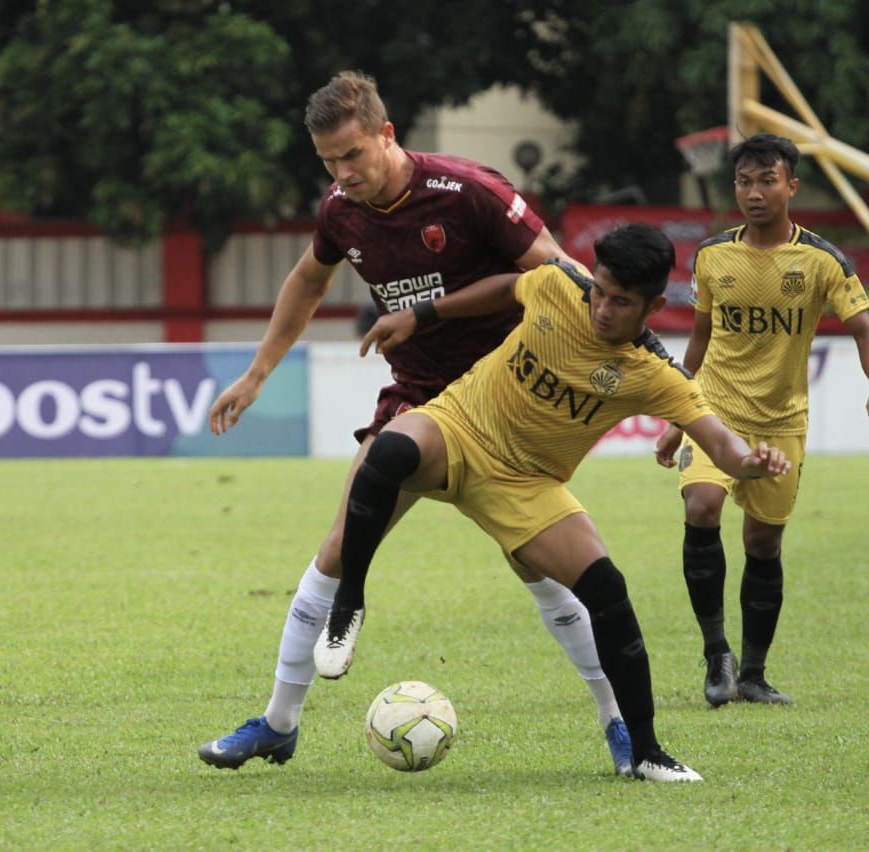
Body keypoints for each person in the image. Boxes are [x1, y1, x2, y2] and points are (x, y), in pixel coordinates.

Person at [198, 71, 634, 774]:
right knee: (340, 546)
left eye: (353, 156)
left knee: (540, 566)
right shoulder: (341, 210)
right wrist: (256, 375)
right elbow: (309, 279)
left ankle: (620, 725)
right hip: (420, 398)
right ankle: (278, 723)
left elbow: (558, 278)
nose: (344, 174)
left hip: (506, 406)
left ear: (386, 135)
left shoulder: (470, 193)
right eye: (329, 163)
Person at [321, 222, 792, 781]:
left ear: (654, 305)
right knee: (390, 450)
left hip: (528, 485)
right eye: (599, 290)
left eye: (621, 302)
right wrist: (420, 314)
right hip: (461, 428)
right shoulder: (557, 284)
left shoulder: (655, 374)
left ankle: (645, 753)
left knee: (608, 590)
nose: (602, 308)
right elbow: (504, 288)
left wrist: (748, 463)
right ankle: (348, 602)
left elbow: (719, 441)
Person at [652, 133, 869, 707]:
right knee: (701, 506)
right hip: (713, 408)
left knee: (763, 543)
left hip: (782, 420)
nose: (754, 193)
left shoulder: (822, 260)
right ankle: (718, 656)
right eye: (744, 181)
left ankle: (755, 674)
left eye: (767, 180)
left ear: (792, 186)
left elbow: (864, 329)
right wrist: (676, 415)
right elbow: (701, 337)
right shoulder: (713, 255)